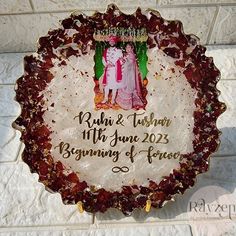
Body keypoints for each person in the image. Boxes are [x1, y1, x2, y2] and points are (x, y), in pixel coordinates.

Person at [116, 43, 145, 110]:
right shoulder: (128, 55)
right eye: (126, 47)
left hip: (129, 76)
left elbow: (128, 64)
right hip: (127, 74)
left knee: (128, 88)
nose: (127, 49)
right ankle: (124, 103)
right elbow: (124, 63)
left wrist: (123, 60)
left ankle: (127, 105)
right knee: (125, 87)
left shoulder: (131, 55)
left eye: (129, 47)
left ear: (132, 48)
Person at [101, 36, 123, 105]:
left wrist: (115, 64)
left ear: (115, 42)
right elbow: (103, 59)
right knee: (106, 85)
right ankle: (105, 98)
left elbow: (121, 61)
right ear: (109, 42)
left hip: (115, 70)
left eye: (113, 41)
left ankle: (113, 99)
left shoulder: (118, 51)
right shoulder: (106, 50)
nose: (112, 42)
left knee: (114, 85)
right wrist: (107, 64)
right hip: (108, 70)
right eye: (110, 41)